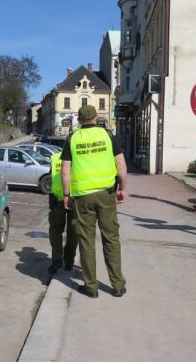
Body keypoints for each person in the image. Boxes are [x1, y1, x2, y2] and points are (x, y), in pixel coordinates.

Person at [61, 105, 127, 298]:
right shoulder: (108, 136)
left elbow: (65, 170)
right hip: (106, 195)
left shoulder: (72, 139)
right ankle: (117, 285)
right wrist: (122, 188)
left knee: (87, 241)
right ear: (96, 117)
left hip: (82, 197)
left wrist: (67, 195)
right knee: (111, 239)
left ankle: (91, 287)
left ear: (79, 120)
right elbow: (121, 164)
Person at [47, 151, 78, 274]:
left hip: (57, 199)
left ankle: (57, 260)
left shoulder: (55, 158)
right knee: (73, 232)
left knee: (55, 231)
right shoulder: (78, 157)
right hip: (74, 198)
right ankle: (69, 261)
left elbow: (51, 177)